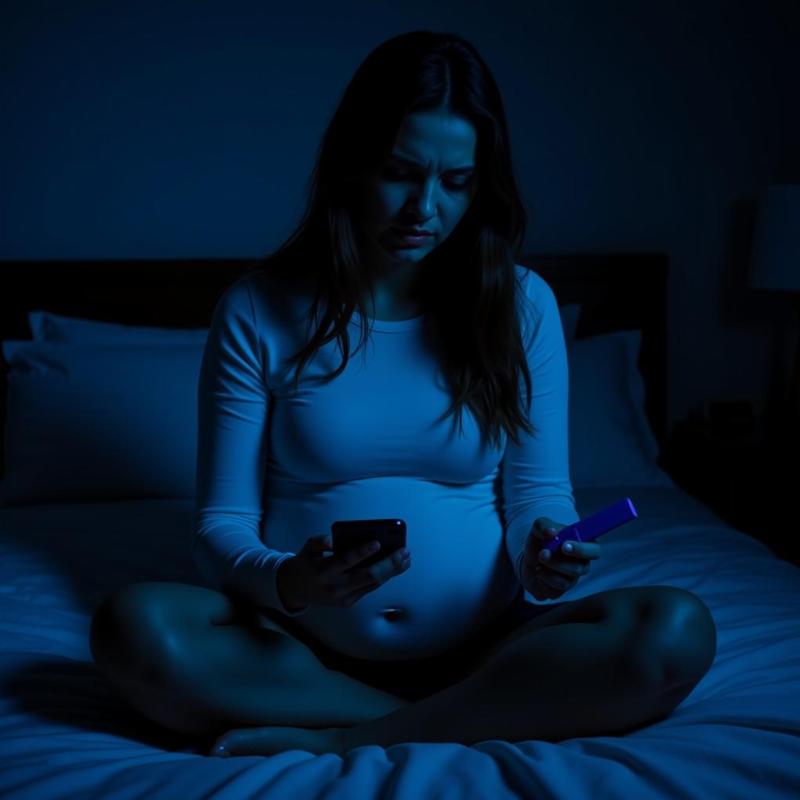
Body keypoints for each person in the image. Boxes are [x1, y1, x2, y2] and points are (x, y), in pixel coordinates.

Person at [89, 30, 717, 758]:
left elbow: (538, 493)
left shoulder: (522, 305)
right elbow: (221, 526)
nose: (425, 207)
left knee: (676, 629)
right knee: (133, 627)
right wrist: (292, 581)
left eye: (456, 182)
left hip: (491, 647)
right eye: (400, 172)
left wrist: (543, 548)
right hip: (300, 653)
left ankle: (344, 739)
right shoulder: (260, 308)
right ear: (353, 165)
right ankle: (442, 718)